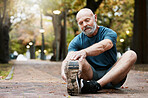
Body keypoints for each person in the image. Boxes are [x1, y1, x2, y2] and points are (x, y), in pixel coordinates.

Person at [61, 8, 137, 95]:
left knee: (131, 54)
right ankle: (78, 83)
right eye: (81, 23)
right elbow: (68, 58)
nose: (85, 24)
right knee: (75, 59)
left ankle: (96, 85)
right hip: (90, 75)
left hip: (113, 76)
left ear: (95, 18)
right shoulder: (76, 41)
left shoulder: (109, 33)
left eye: (87, 20)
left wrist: (84, 52)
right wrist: (64, 72)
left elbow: (105, 45)